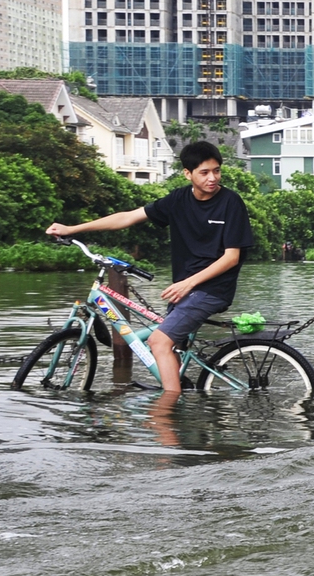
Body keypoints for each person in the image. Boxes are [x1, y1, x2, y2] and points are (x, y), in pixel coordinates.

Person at [46, 140, 252, 395]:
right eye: (205, 172)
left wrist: (189, 283)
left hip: (211, 290)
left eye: (217, 171)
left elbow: (231, 257)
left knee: (158, 341)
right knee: (170, 347)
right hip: (183, 290)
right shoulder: (178, 200)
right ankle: (181, 402)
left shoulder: (231, 202)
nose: (213, 178)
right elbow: (128, 217)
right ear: (187, 174)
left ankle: (166, 413)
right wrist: (72, 229)